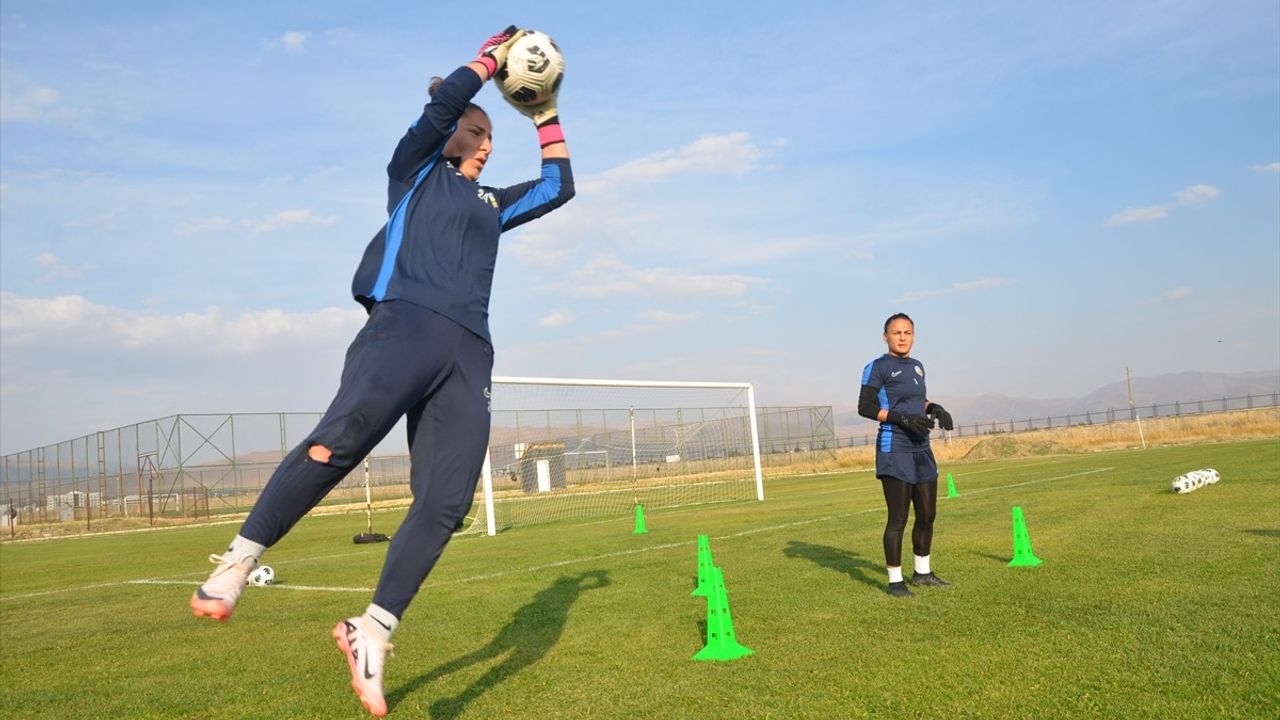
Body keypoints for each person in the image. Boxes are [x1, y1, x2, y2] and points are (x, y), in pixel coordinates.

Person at [189, 26, 574, 717]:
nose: (486, 144)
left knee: (446, 503)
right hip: (403, 324)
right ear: (449, 131)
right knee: (342, 440)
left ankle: (371, 631)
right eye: (476, 131)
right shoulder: (415, 172)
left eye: (492, 137)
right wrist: (487, 64)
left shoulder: (492, 206)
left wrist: (545, 111)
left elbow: (558, 185)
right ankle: (238, 560)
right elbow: (442, 109)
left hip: (469, 351)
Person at [857, 313, 955, 598]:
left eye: (908, 332)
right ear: (885, 336)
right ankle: (895, 581)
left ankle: (923, 573)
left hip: (921, 448)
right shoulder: (877, 367)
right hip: (894, 448)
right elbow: (865, 406)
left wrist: (934, 407)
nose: (902, 337)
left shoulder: (917, 367)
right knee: (898, 518)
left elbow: (915, 401)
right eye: (897, 332)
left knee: (927, 514)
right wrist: (901, 419)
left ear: (914, 335)